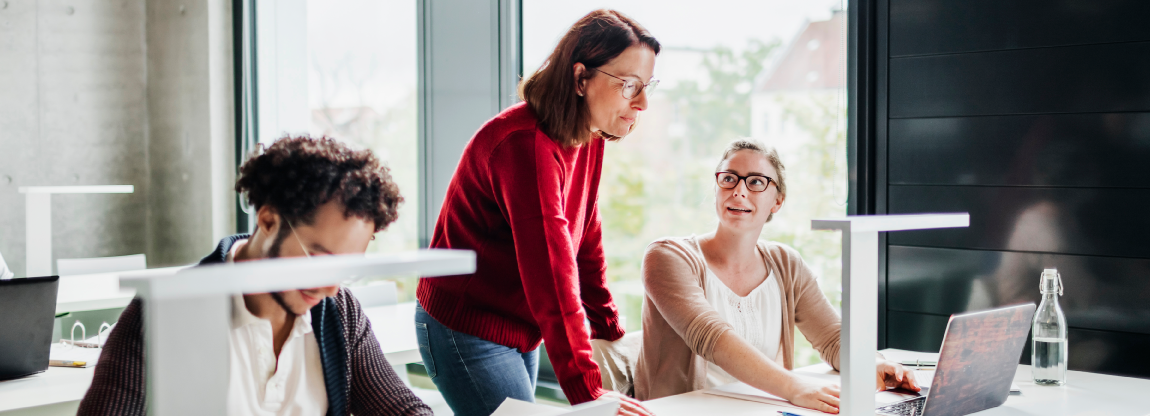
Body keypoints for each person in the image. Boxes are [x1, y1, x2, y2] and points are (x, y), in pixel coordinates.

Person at [415, 9, 658, 416]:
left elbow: (585, 237)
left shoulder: (588, 135)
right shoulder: (523, 145)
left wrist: (607, 326)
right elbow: (552, 272)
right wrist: (588, 393)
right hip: (466, 326)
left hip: (520, 327)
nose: (643, 102)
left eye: (647, 86)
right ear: (580, 78)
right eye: (630, 85)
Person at [78, 136, 432, 416]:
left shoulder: (339, 313)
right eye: (320, 261)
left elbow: (402, 408)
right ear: (268, 220)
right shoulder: (166, 312)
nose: (330, 286)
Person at [633, 140, 920, 414]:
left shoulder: (786, 263)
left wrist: (870, 363)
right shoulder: (667, 256)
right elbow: (710, 337)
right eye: (729, 178)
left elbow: (832, 338)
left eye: (756, 182)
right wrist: (795, 387)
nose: (739, 191)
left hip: (762, 410)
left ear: (777, 201)